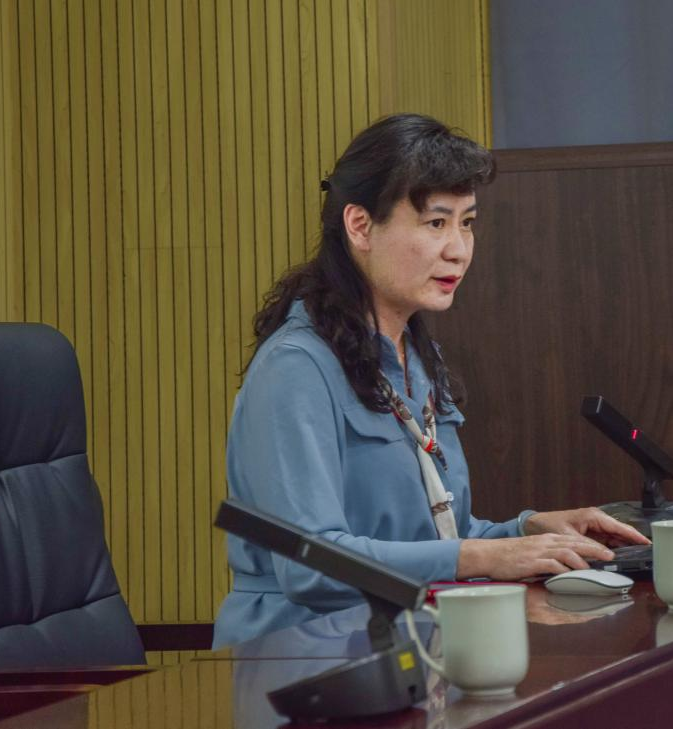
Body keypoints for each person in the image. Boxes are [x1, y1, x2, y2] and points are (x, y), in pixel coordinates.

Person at [213, 114, 648, 648]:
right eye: (436, 223)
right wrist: (485, 555)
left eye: (467, 223)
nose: (459, 249)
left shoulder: (414, 355)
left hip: (412, 646)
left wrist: (526, 532)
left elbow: (440, 536)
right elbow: (312, 566)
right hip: (300, 656)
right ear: (359, 226)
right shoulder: (296, 368)